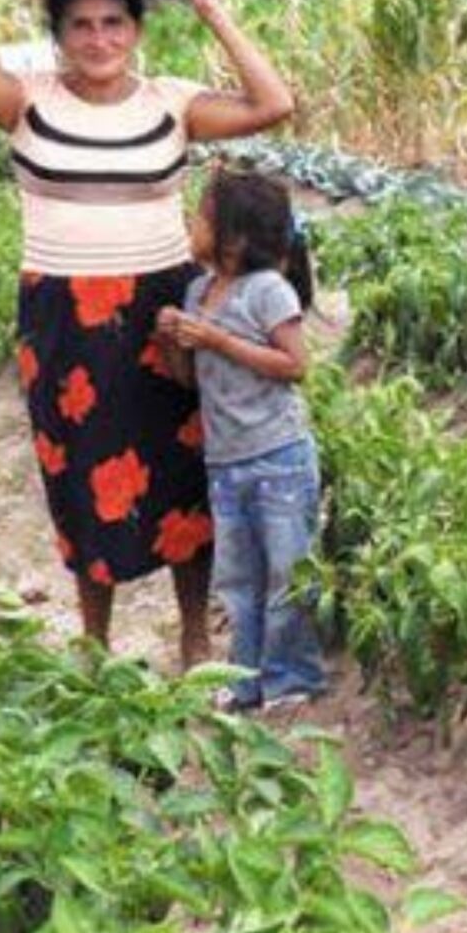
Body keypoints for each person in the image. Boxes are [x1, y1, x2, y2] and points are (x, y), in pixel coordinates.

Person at [0, 0, 296, 660]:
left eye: (114, 22)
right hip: (62, 314)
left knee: (181, 475)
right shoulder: (26, 102)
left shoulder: (172, 104)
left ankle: (194, 639)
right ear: (59, 35)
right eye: (82, 25)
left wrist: (213, 11)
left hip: (163, 311)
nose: (99, 38)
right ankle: (96, 643)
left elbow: (273, 103)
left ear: (135, 30)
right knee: (79, 479)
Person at [155, 163, 326, 714]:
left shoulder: (268, 291)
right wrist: (175, 343)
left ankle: (290, 679)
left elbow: (295, 365)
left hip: (278, 456)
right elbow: (188, 380)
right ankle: (247, 681)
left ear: (233, 237)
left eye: (201, 216)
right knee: (238, 580)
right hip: (226, 460)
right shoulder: (199, 291)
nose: (191, 223)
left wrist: (216, 338)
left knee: (286, 575)